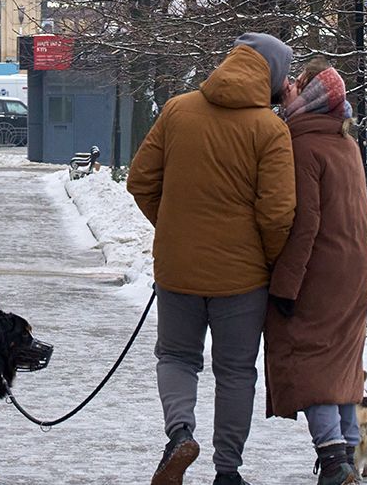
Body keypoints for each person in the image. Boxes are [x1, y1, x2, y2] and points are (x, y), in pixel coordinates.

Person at [127, 33, 297, 485]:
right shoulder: (270, 130)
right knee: (236, 372)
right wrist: (267, 258)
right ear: (272, 77)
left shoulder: (178, 110)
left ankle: (180, 433)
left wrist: (173, 230)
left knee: (177, 358)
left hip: (177, 271)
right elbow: (278, 213)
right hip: (242, 279)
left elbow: (141, 181)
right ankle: (228, 471)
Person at [265, 61, 367, 485]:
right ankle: (345, 456)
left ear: (310, 98)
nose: (287, 89)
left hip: (320, 274)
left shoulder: (303, 147)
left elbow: (304, 224)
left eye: (296, 86)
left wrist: (285, 286)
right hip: (353, 273)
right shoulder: (345, 144)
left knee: (311, 361)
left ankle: (332, 461)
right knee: (340, 370)